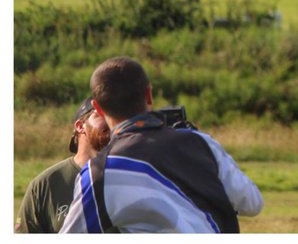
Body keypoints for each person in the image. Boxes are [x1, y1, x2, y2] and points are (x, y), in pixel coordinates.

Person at [59, 56, 263, 233]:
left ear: (98, 108)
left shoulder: (99, 173)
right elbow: (252, 204)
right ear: (148, 94)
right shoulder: (201, 143)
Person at [13, 97, 110, 233]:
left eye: (115, 116)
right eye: (102, 115)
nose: (112, 122)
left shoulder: (131, 176)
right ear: (80, 126)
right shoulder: (46, 184)